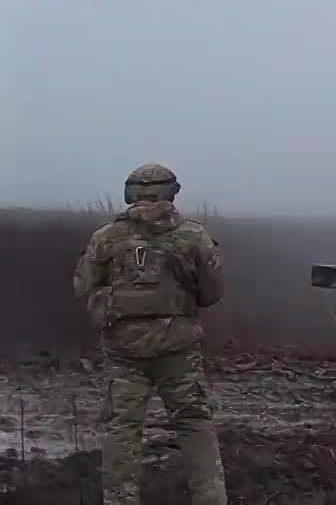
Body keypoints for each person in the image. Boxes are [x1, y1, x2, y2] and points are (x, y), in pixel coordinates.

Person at [73, 164, 228, 505]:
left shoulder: (106, 237)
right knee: (194, 423)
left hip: (123, 350)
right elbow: (212, 292)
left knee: (122, 429)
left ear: (130, 194)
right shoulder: (193, 236)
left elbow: (83, 286)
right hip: (178, 348)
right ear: (172, 193)